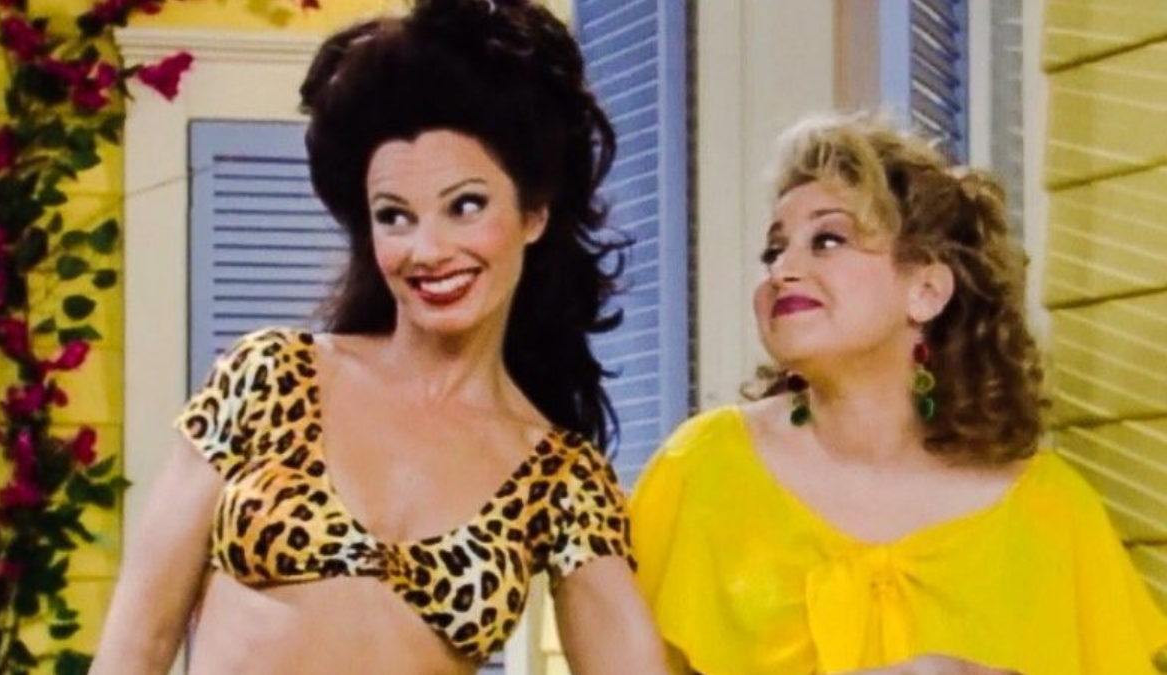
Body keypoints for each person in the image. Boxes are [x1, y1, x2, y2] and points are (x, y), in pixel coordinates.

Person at [89, 1, 669, 673]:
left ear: (533, 214)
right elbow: (137, 645)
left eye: (466, 206)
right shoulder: (269, 376)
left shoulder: (560, 478)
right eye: (394, 216)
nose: (428, 249)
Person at [629, 112, 1167, 675]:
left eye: (828, 240)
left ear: (927, 290)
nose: (782, 270)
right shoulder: (699, 470)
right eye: (774, 250)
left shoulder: (1053, 512)